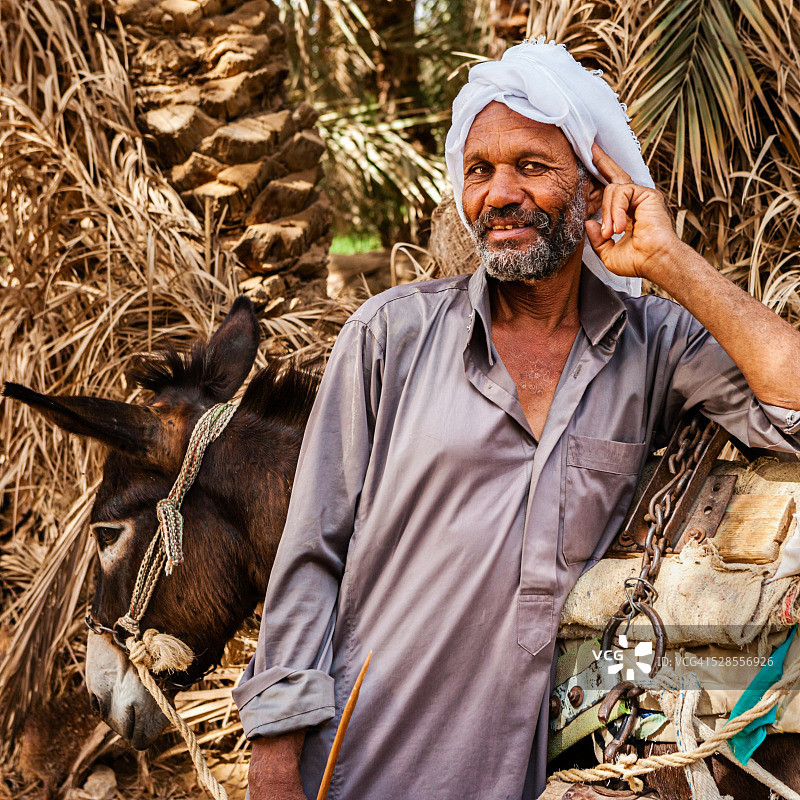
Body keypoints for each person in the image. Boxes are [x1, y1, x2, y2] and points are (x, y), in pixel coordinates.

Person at [232, 40, 800, 800]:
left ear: (595, 185)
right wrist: (273, 764)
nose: (499, 192)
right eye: (479, 169)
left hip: (513, 774)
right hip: (351, 760)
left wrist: (668, 261)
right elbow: (311, 555)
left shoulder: (655, 345)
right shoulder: (390, 337)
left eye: (532, 165)